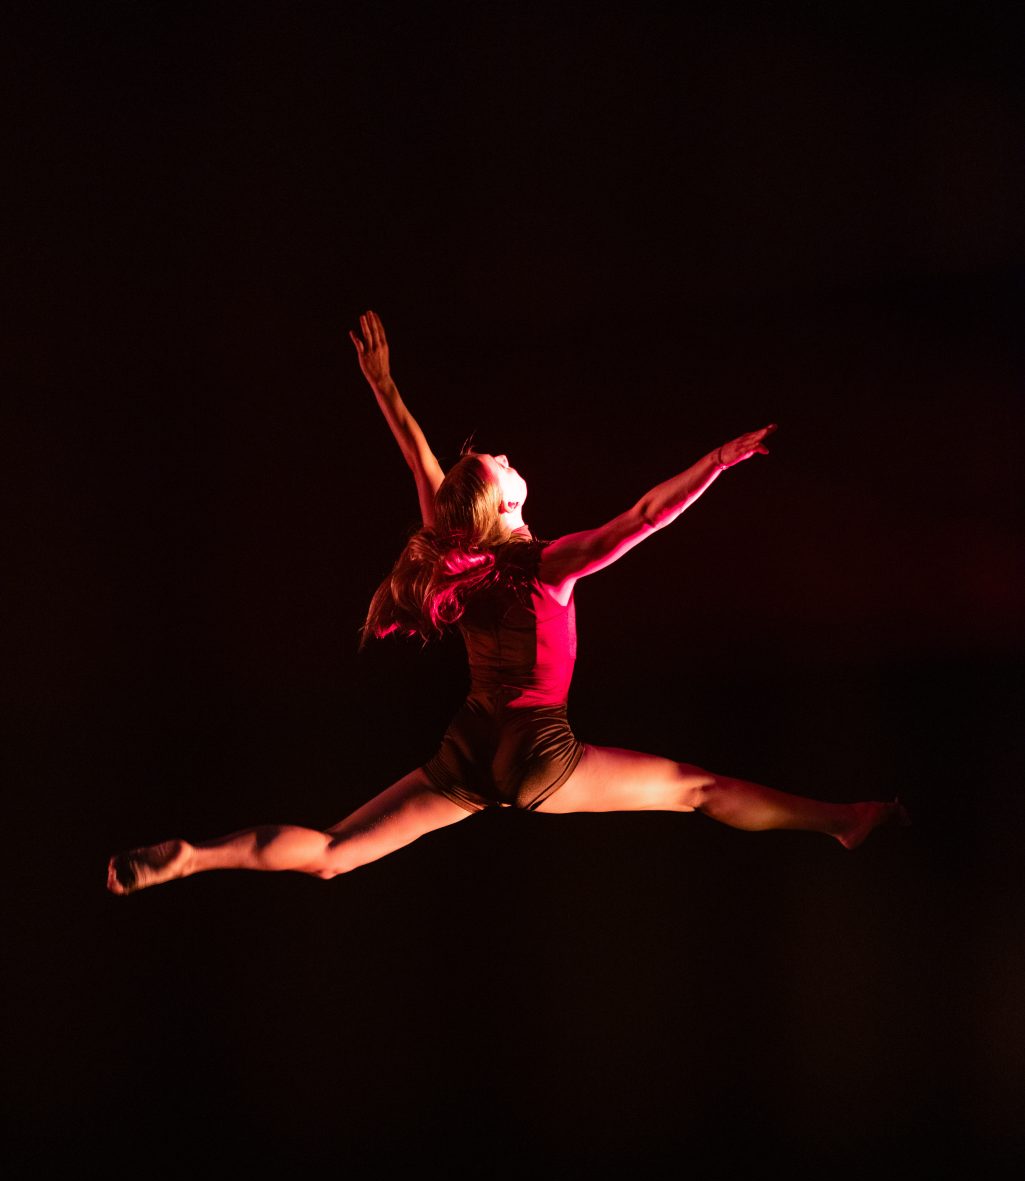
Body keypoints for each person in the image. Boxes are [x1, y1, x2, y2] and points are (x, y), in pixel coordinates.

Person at [107, 310, 904, 895]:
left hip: (468, 743)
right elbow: (642, 517)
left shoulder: (455, 558)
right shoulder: (544, 567)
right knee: (696, 790)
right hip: (536, 753)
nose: (501, 454)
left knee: (331, 853)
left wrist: (385, 387)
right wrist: (718, 462)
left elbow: (422, 467)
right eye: (497, 463)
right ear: (504, 506)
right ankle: (837, 820)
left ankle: (195, 857)